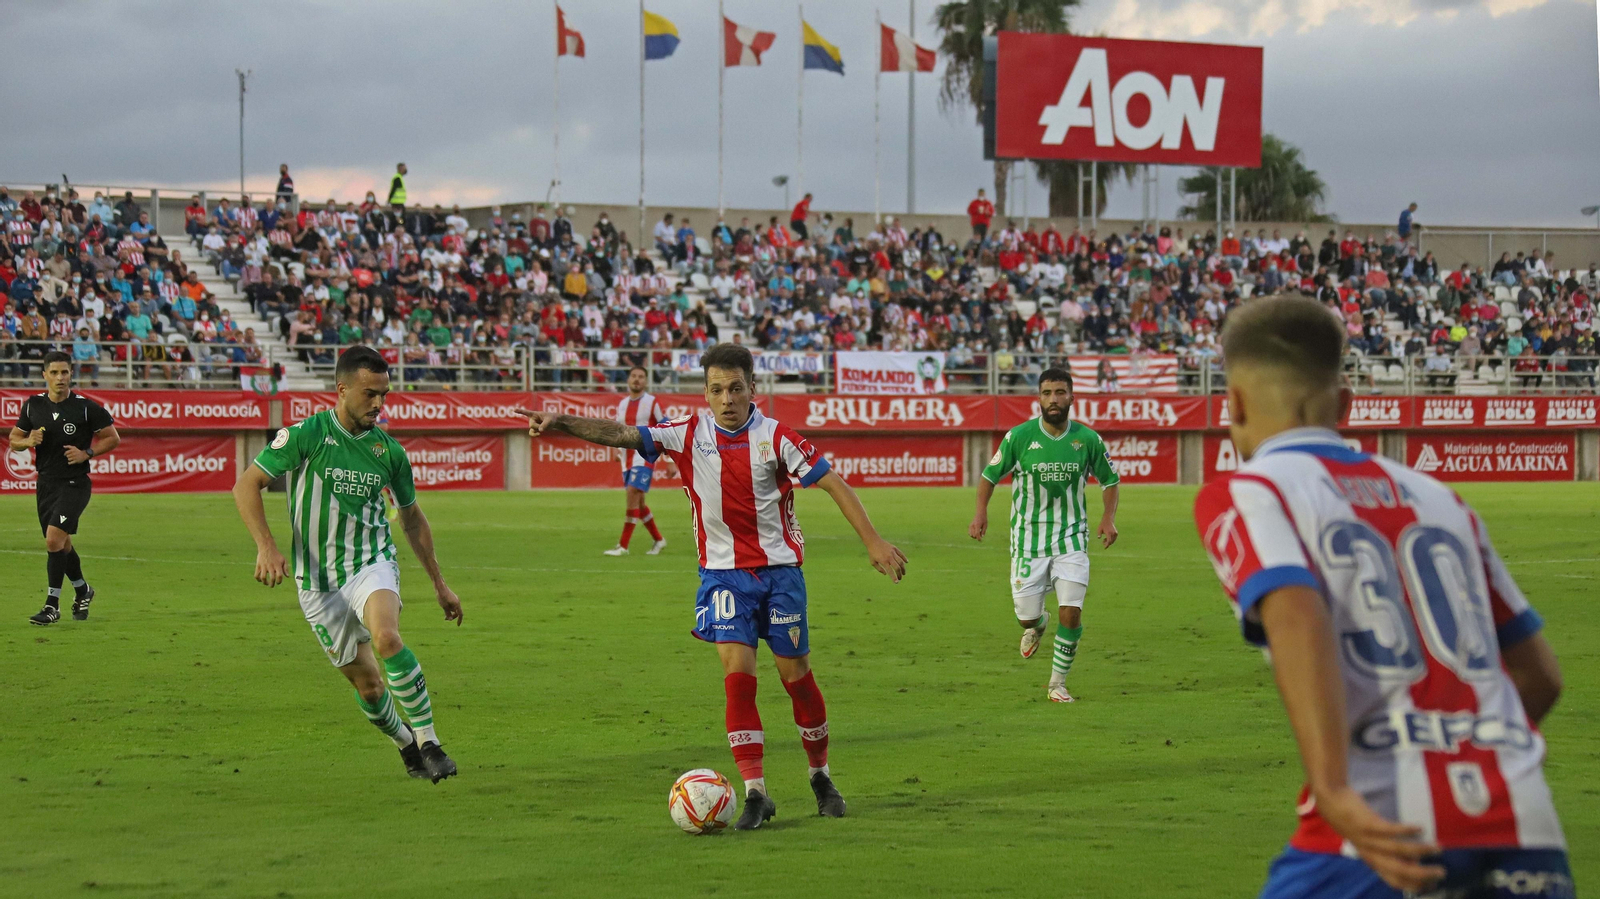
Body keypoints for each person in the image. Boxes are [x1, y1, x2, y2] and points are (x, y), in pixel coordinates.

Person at [1193, 296, 1570, 898]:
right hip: (1523, 827)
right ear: (1345, 404)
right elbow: (1541, 677)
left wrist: (1335, 790)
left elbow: (1295, 613)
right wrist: (1473, 748)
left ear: (1231, 403)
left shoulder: (1249, 490)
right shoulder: (1441, 498)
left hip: (1373, 833)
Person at [516, 343, 907, 830]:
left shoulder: (778, 437)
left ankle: (821, 777)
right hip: (723, 577)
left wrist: (872, 541)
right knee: (738, 677)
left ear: (752, 389)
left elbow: (833, 484)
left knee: (795, 678)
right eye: (717, 390)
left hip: (780, 573)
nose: (727, 399)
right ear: (705, 393)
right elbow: (620, 433)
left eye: (736, 388)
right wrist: (561, 421)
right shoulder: (685, 434)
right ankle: (756, 793)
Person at [232, 346, 463, 783]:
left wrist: (439, 583)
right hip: (317, 581)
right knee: (370, 687)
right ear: (342, 390)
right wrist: (266, 546)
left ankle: (430, 741)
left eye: (385, 395)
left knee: (387, 637)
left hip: (369, 563)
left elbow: (412, 520)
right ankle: (406, 745)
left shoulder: (389, 452)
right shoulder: (306, 435)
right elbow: (247, 485)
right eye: (369, 394)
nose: (378, 404)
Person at [968, 368, 1120, 703]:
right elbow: (989, 476)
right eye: (1048, 393)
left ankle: (1057, 683)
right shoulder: (1019, 437)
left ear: (1072, 397)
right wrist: (981, 513)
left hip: (1071, 538)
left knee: (1072, 610)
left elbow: (1110, 481)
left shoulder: (1088, 439)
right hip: (1027, 540)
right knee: (1025, 616)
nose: (1054, 399)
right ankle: (1037, 624)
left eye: (1060, 392)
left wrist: (1108, 518)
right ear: (1038, 398)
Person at [10, 351, 120, 625]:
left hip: (75, 484)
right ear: (44, 375)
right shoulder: (33, 406)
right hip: (46, 483)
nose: (60, 378)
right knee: (62, 543)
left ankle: (51, 605)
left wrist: (87, 453)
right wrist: (27, 441)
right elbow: (14, 438)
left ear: (72, 374)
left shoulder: (85, 407)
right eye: (55, 372)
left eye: (65, 372)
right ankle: (83, 590)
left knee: (52, 540)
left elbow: (112, 437)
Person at [604, 365, 672, 556]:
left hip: (645, 455)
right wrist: (617, 450)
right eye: (634, 376)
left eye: (641, 376)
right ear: (628, 380)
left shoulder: (652, 402)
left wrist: (670, 459)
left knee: (633, 492)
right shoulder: (623, 404)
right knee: (639, 503)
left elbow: (666, 427)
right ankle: (659, 540)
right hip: (627, 458)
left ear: (646, 381)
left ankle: (623, 546)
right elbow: (619, 431)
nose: (637, 379)